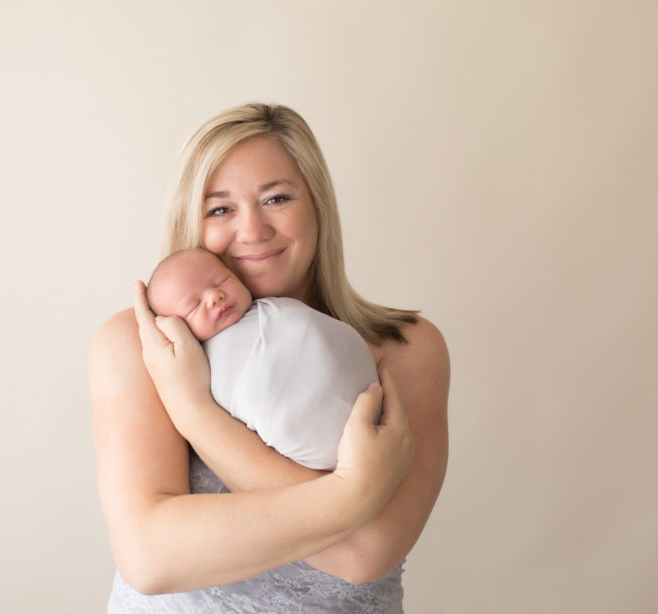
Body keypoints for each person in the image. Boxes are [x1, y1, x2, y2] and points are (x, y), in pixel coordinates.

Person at [90, 103, 450, 612]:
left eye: (276, 198)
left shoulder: (406, 348)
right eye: (220, 209)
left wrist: (193, 409)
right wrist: (353, 495)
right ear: (191, 221)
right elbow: (149, 558)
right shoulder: (138, 346)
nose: (252, 229)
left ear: (318, 206)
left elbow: (366, 554)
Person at [146, 247, 379, 470]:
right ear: (172, 329)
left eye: (221, 281)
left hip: (363, 400)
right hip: (311, 445)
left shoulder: (271, 309)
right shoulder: (197, 368)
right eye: (194, 305)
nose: (215, 296)